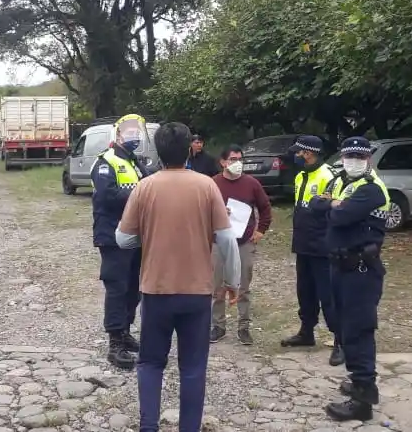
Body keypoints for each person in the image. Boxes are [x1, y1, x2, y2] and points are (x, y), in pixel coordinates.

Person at [115, 122, 241, 432]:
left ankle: (149, 426)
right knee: (193, 367)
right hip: (196, 293)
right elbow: (227, 239)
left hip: (156, 291)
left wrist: (148, 236)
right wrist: (232, 281)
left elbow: (123, 239)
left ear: (158, 152)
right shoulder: (206, 186)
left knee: (150, 362)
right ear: (188, 150)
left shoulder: (145, 187)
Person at [322, 136, 391, 422]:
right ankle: (358, 380)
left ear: (368, 159)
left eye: (359, 157)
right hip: (341, 267)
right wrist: (334, 205)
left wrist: (333, 207)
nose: (353, 161)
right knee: (344, 328)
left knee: (359, 331)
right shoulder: (342, 181)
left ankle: (363, 400)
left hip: (361, 270)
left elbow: (339, 217)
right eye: (349, 156)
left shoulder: (372, 188)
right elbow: (318, 206)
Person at [91, 114, 152, 370]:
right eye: (129, 132)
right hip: (113, 236)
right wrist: (139, 194)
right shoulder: (106, 162)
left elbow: (150, 187)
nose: (134, 136)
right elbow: (107, 196)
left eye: (137, 132)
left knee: (133, 288)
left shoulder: (135, 163)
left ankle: (125, 330)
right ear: (117, 135)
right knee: (117, 288)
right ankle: (115, 342)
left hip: (136, 235)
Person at [280, 135, 344, 367]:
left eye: (299, 152)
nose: (296, 156)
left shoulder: (329, 177)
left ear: (308, 153)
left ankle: (340, 341)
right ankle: (306, 331)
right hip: (303, 244)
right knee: (305, 292)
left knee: (328, 295)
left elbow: (336, 210)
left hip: (323, 247)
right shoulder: (301, 176)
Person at [209, 143, 272, 345]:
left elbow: (265, 208)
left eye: (240, 159)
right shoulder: (212, 184)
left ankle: (244, 327)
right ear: (223, 162)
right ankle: (218, 326)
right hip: (219, 242)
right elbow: (202, 210)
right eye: (233, 160)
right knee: (217, 286)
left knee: (244, 286)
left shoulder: (251, 183)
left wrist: (261, 230)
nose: (237, 163)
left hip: (244, 242)